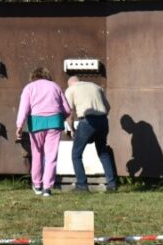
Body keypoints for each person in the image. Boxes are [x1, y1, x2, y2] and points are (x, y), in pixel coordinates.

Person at [16, 67, 70, 197]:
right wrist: (61, 117)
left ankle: (37, 185)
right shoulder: (55, 86)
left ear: (33, 76)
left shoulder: (29, 87)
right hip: (55, 122)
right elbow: (67, 109)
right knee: (51, 156)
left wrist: (19, 126)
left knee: (37, 154)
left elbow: (24, 108)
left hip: (36, 123)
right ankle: (47, 188)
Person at [64, 76, 118, 192]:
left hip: (87, 121)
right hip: (103, 120)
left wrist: (72, 129)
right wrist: (100, 119)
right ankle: (112, 184)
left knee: (76, 154)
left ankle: (82, 185)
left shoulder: (71, 90)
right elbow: (108, 107)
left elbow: (69, 113)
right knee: (103, 152)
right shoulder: (96, 87)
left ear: (70, 84)